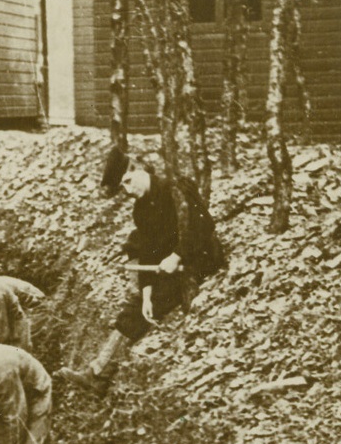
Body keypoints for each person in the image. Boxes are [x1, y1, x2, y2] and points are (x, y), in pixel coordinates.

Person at [59, 148, 227, 397]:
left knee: (145, 305)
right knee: (139, 304)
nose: (128, 190)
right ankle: (97, 374)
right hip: (173, 266)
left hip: (200, 260)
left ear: (140, 168)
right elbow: (148, 252)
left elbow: (203, 226)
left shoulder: (176, 188)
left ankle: (98, 375)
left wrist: (176, 255)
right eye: (122, 187)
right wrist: (147, 294)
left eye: (128, 181)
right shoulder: (141, 209)